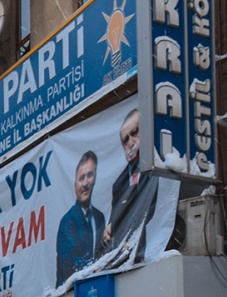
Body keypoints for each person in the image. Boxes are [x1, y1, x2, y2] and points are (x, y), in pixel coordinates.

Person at [104, 108, 158, 262]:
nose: (130, 143)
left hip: (152, 254)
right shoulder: (119, 184)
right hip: (127, 261)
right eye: (125, 140)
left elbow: (156, 210)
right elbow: (119, 218)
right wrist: (111, 228)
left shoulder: (160, 164)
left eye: (134, 133)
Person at [56, 151, 107, 285]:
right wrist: (96, 268)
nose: (85, 183)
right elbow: (69, 260)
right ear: (75, 185)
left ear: (95, 178)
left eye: (89, 176)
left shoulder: (99, 217)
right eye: (81, 178)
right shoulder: (67, 221)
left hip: (97, 286)